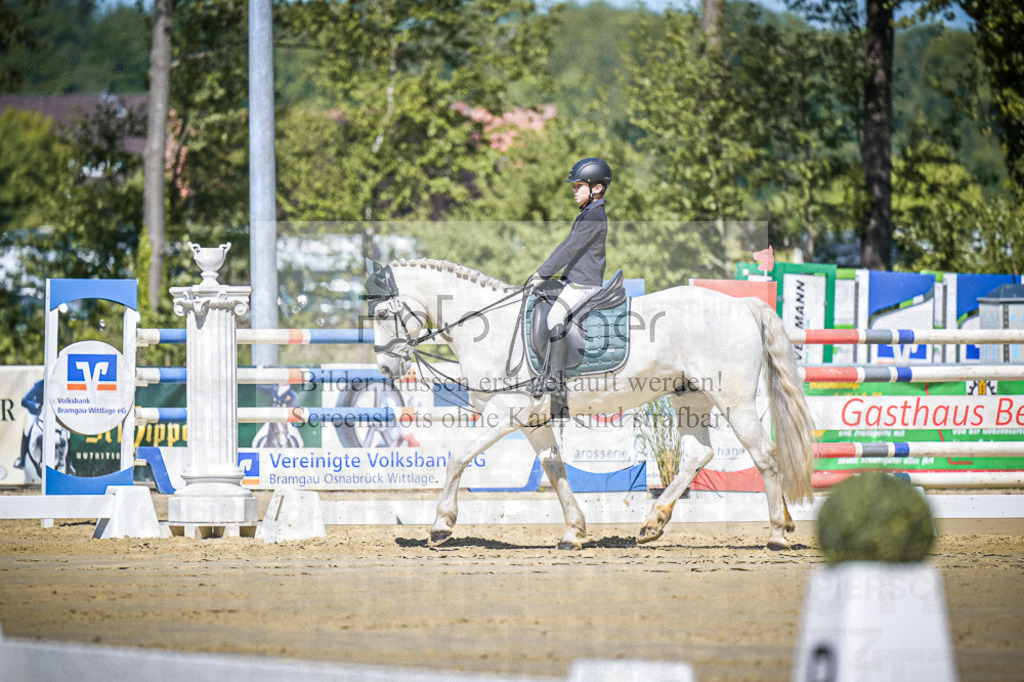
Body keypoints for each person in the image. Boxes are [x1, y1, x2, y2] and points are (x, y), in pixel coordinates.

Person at [528, 157, 612, 396]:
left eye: (578, 186)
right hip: (573, 279)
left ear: (596, 188)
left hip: (584, 282)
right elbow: (566, 245)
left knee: (555, 316)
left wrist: (541, 274)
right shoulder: (587, 212)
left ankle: (555, 378)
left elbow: (570, 249)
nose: (574, 191)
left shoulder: (595, 215)